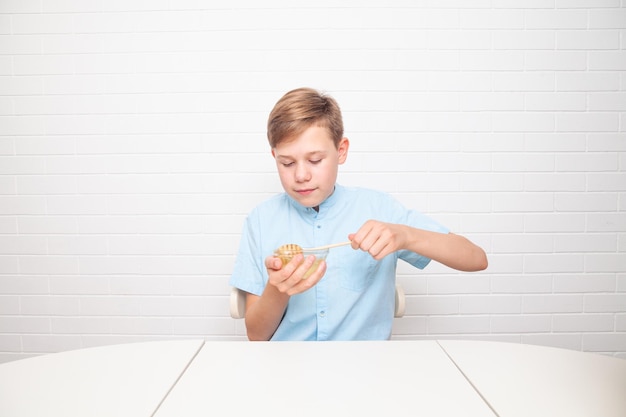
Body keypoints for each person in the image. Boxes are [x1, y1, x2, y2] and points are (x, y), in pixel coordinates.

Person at [229, 87, 488, 341]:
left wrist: (405, 236)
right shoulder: (261, 220)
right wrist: (278, 289)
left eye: (316, 160)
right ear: (274, 156)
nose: (301, 175)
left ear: (341, 151)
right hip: (287, 368)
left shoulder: (378, 207)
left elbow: (476, 258)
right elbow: (256, 335)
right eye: (287, 163)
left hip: (367, 369)